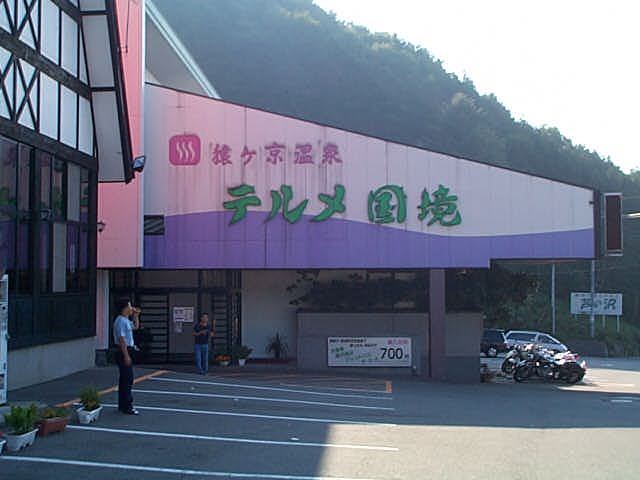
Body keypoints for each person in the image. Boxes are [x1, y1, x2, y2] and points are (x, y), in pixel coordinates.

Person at [113, 298, 141, 415]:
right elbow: (121, 339)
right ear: (124, 308)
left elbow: (135, 327)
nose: (131, 308)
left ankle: (122, 405)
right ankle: (127, 406)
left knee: (125, 379)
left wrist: (136, 315)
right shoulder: (120, 321)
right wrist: (126, 355)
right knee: (128, 379)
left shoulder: (125, 320)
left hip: (127, 349)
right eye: (129, 306)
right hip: (123, 350)